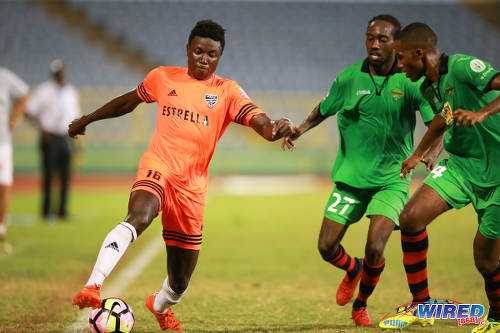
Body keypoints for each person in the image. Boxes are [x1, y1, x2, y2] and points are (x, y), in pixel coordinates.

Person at [70, 20, 293, 331]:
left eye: (212, 55)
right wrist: (87, 119)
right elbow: (128, 101)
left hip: (192, 188)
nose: (204, 59)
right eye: (198, 51)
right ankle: (93, 286)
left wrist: (274, 128)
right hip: (159, 166)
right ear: (188, 50)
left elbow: (261, 122)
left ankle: (159, 306)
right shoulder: (162, 77)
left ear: (220, 57)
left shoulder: (226, 91)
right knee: (138, 216)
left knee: (179, 282)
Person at [282, 15, 440, 327]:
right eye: (370, 38)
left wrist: (429, 153)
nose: (374, 45)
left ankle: (361, 304)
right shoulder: (348, 78)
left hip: (391, 181)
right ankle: (353, 270)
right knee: (326, 247)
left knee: (375, 246)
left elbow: (438, 120)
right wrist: (301, 128)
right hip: (351, 180)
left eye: (383, 39)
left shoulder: (410, 81)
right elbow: (324, 108)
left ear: (397, 44)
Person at [379, 23, 500, 332]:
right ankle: (422, 305)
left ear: (420, 53)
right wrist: (422, 152)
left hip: (498, 173)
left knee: (485, 262)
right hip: (461, 165)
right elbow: (443, 118)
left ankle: (498, 317)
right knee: (410, 217)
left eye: (402, 58)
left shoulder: (463, 67)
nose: (399, 65)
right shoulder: (427, 87)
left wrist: (482, 113)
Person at [25, 59, 81, 220]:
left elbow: (75, 116)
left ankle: (62, 210)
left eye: (62, 71)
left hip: (65, 137)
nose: (60, 74)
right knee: (49, 174)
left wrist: (76, 138)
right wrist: (40, 127)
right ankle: (46, 211)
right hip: (49, 136)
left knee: (66, 174)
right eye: (57, 72)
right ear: (53, 73)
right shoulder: (44, 90)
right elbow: (29, 111)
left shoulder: (71, 91)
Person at [0, 67, 29, 254]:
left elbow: (24, 93)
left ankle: (0, 227)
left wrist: (14, 117)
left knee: (4, 184)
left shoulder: (4, 76)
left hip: (1, 142)